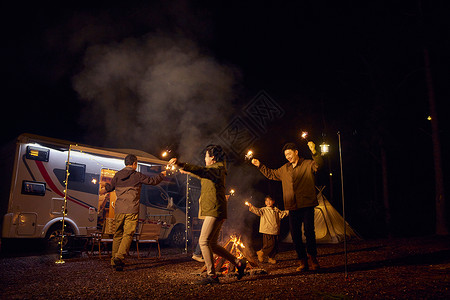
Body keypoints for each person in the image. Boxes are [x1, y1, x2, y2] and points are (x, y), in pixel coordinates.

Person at [169, 145, 246, 285]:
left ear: (212, 157)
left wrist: (182, 164)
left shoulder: (216, 169)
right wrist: (186, 171)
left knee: (203, 242)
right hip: (216, 210)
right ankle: (238, 262)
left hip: (214, 210)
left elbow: (202, 171)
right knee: (213, 244)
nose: (204, 159)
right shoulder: (214, 171)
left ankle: (212, 275)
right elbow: (202, 173)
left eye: (206, 156)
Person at [251, 141, 323, 271]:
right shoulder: (285, 169)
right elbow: (271, 174)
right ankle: (303, 261)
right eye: (285, 155)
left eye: (289, 154)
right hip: (292, 206)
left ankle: (313, 259)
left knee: (309, 233)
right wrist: (260, 165)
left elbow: (319, 165)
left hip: (307, 204)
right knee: (295, 235)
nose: (287, 157)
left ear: (296, 152)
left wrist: (315, 152)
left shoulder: (308, 164)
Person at [99, 154, 166, 271]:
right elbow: (152, 181)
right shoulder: (137, 175)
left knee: (118, 234)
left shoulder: (118, 175)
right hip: (131, 210)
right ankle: (119, 257)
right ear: (134, 163)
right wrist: (162, 175)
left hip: (119, 210)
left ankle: (114, 261)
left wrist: (104, 188)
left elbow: (110, 188)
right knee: (128, 234)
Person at [247, 195, 289, 264]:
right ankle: (261, 252)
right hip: (267, 230)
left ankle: (271, 258)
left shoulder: (276, 210)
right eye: (267, 201)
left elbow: (282, 214)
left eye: (270, 201)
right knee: (269, 244)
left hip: (275, 230)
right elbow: (257, 211)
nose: (268, 202)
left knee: (275, 246)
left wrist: (290, 211)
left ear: (273, 202)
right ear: (265, 202)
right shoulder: (264, 210)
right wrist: (251, 206)